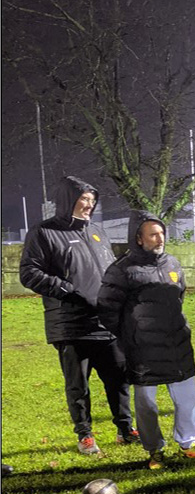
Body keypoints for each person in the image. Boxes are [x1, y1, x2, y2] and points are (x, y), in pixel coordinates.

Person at [19, 176, 136, 454]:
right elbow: (29, 273)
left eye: (92, 200)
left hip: (106, 322)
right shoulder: (44, 232)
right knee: (78, 385)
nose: (89, 204)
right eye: (84, 199)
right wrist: (68, 291)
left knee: (119, 379)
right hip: (71, 324)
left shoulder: (97, 231)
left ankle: (125, 429)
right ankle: (85, 435)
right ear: (67, 200)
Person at [98, 211, 195, 469]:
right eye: (153, 234)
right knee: (146, 405)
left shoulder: (172, 263)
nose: (160, 238)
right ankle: (155, 450)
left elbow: (179, 296)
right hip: (142, 350)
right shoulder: (121, 270)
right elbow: (107, 309)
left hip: (177, 344)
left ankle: (188, 443)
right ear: (138, 238)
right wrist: (132, 335)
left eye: (161, 233)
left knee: (187, 398)